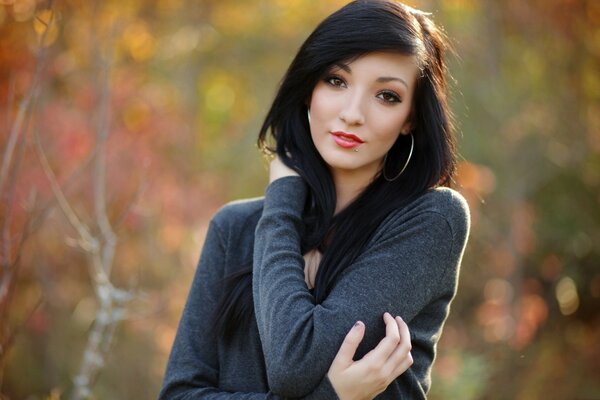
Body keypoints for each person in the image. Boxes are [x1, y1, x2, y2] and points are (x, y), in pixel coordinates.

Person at [159, 0, 470, 398]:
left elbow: (294, 363)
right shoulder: (234, 228)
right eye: (336, 81)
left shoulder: (432, 220)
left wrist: (282, 196)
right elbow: (179, 394)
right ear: (309, 89)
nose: (352, 113)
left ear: (411, 117)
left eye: (387, 95)